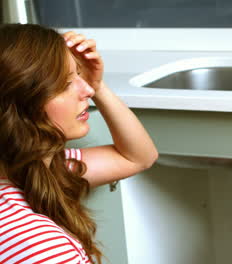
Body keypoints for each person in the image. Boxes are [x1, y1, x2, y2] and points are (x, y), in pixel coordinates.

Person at [0, 24, 158, 263]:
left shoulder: (27, 171)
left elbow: (138, 157)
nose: (86, 90)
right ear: (22, 104)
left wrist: (98, 86)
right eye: (65, 84)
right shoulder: (39, 245)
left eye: (79, 76)